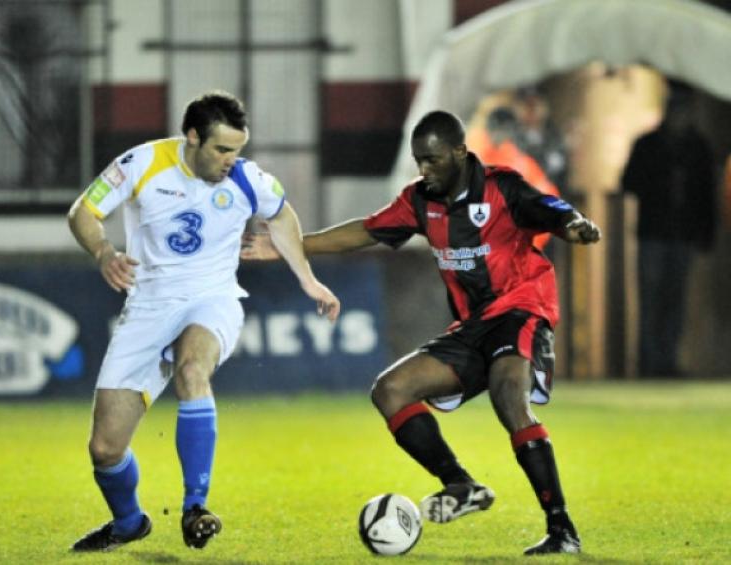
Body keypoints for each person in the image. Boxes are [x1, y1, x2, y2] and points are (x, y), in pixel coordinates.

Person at [243, 110, 600, 555]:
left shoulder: (502, 186)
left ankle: (561, 528)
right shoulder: (418, 201)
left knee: (509, 394)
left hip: (521, 306)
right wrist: (288, 245)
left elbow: (550, 209)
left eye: (432, 160)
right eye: (419, 160)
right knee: (390, 391)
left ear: (459, 153)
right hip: (473, 325)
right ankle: (461, 485)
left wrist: (574, 225)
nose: (424, 170)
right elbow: (364, 232)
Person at [67, 91, 340, 552]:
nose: (233, 160)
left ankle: (197, 506)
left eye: (238, 148)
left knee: (192, 371)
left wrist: (308, 280)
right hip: (148, 307)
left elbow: (282, 216)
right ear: (191, 137)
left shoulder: (248, 179)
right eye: (222, 149)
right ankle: (130, 522)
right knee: (105, 450)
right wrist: (103, 251)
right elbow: (83, 212)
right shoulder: (142, 163)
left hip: (212, 299)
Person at [621, 87, 715, 378]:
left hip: (682, 234)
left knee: (675, 298)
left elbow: (705, 194)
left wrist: (705, 233)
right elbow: (630, 181)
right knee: (651, 298)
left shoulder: (697, 148)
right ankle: (649, 362)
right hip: (654, 232)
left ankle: (667, 360)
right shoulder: (648, 145)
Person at [477, 106, 560, 250]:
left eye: (500, 130)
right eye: (495, 130)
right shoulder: (523, 164)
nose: (496, 135)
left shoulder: (521, 165)